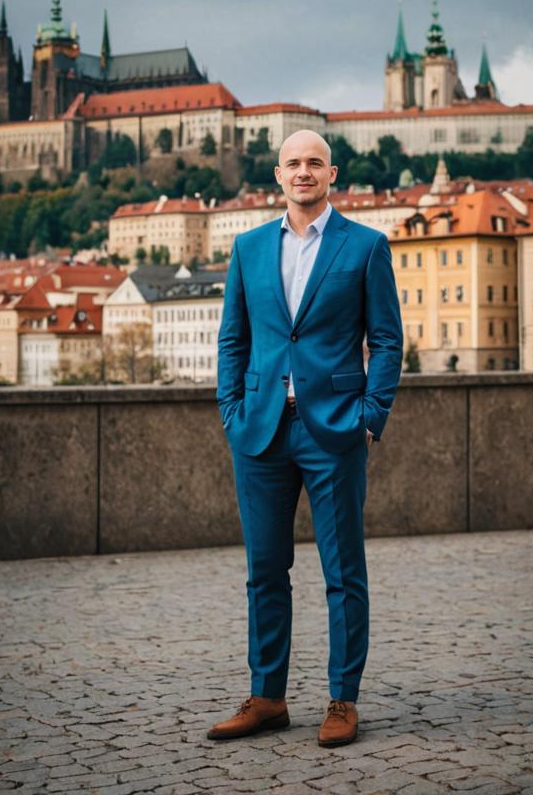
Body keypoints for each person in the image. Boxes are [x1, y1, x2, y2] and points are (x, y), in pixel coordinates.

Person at [208, 129, 403, 747]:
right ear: (278, 175)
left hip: (334, 430)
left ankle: (342, 701)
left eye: (314, 163)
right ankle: (267, 698)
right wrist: (232, 413)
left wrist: (370, 416)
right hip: (261, 430)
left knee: (344, 571)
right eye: (293, 163)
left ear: (332, 174)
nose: (303, 172)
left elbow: (389, 340)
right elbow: (232, 340)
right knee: (265, 569)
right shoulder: (249, 247)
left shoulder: (366, 246)